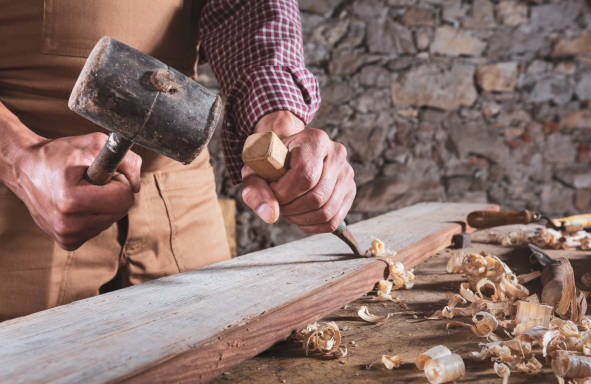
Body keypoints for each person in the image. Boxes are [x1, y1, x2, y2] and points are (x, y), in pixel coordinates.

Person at [0, 0, 356, 321]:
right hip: (23, 205)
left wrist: (279, 124)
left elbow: (245, 9)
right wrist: (17, 156)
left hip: (181, 202)